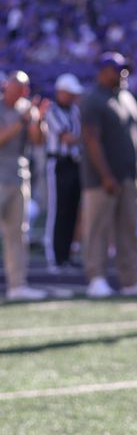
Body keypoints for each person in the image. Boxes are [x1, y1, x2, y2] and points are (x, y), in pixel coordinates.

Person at [79, 52, 137, 299]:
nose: (123, 75)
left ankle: (131, 278)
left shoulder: (126, 97)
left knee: (128, 229)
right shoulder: (93, 100)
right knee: (98, 229)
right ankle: (96, 278)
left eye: (125, 70)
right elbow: (91, 140)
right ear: (103, 72)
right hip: (101, 179)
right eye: (118, 70)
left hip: (129, 175)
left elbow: (133, 139)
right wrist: (105, 174)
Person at [0, 70, 49, 301]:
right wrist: (22, 122)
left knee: (18, 234)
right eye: (19, 87)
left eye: (25, 87)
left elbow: (38, 142)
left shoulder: (26, 109)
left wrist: (37, 121)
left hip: (19, 177)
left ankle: (17, 284)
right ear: (7, 87)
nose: (23, 92)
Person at [43, 73, 83, 271]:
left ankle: (66, 255)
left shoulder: (75, 110)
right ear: (61, 92)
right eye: (70, 93)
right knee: (57, 211)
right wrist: (87, 138)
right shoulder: (52, 110)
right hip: (58, 164)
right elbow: (68, 137)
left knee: (72, 211)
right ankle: (54, 257)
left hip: (75, 164)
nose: (73, 97)